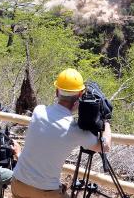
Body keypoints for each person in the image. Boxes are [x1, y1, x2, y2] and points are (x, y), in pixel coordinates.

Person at [11, 68, 112, 198]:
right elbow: (105, 147)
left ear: (57, 91)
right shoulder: (75, 130)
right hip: (44, 192)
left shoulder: (39, 111)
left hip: (18, 184)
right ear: (80, 95)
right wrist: (106, 120)